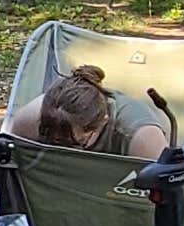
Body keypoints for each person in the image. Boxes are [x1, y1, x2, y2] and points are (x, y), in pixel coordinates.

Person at [15, 60, 170, 164]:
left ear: (102, 122)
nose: (66, 150)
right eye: (54, 141)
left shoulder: (142, 138)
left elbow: (167, 197)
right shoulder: (30, 120)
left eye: (74, 144)